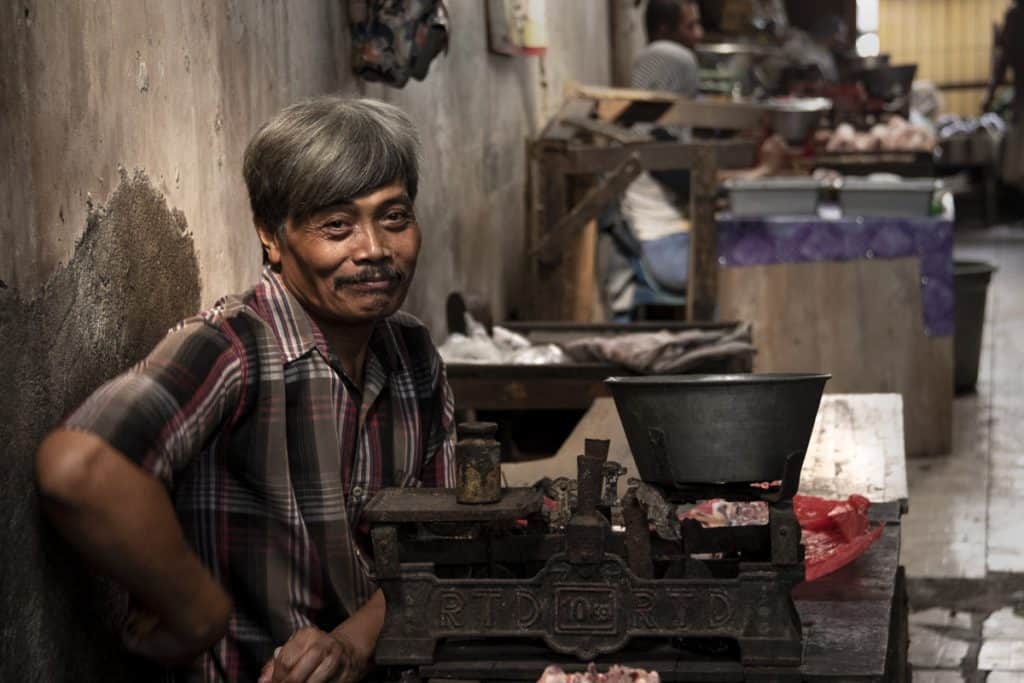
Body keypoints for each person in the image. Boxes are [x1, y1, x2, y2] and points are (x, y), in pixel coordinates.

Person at [35, 97, 455, 683]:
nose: (374, 250)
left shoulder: (413, 358)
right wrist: (197, 614)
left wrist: (351, 645)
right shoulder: (232, 349)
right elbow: (79, 468)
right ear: (271, 237)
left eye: (394, 217)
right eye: (337, 226)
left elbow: (447, 549)